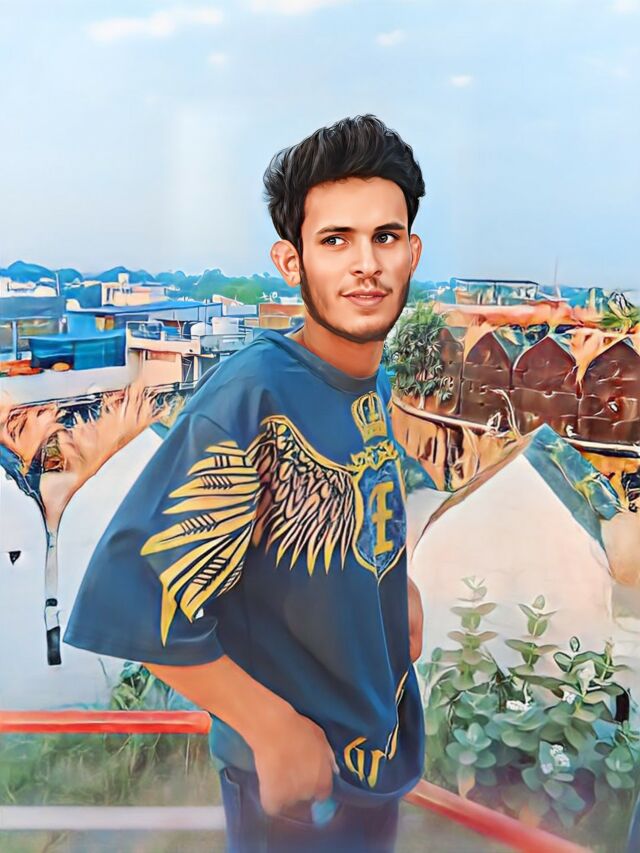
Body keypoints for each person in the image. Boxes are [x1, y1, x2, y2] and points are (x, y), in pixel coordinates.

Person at [65, 114, 426, 853]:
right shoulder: (253, 397)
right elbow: (135, 591)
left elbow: (346, 508)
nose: (366, 263)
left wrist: (394, 582)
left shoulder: (368, 381)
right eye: (336, 240)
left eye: (385, 237)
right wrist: (270, 727)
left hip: (376, 765)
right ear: (291, 261)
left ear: (411, 252)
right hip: (301, 792)